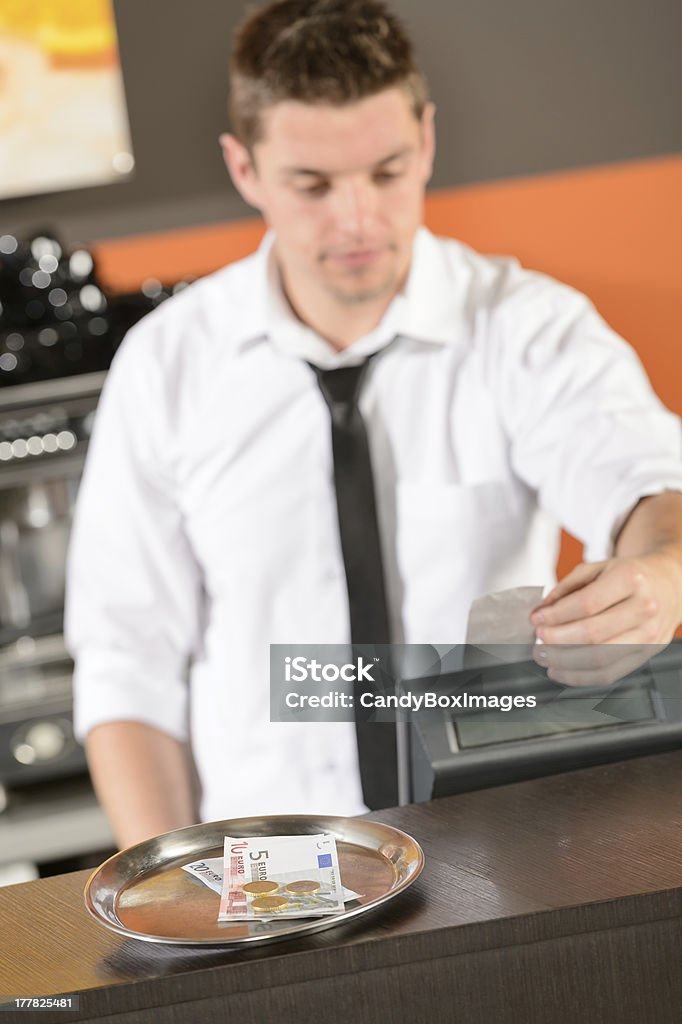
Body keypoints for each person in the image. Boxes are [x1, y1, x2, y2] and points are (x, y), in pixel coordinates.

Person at [65, 0, 682, 849]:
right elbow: (127, 664)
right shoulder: (166, 367)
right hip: (264, 871)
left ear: (426, 141)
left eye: (387, 172)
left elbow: (647, 483)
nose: (357, 219)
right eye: (312, 185)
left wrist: (661, 573)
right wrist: (175, 885)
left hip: (502, 852)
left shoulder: (527, 327)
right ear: (245, 169)